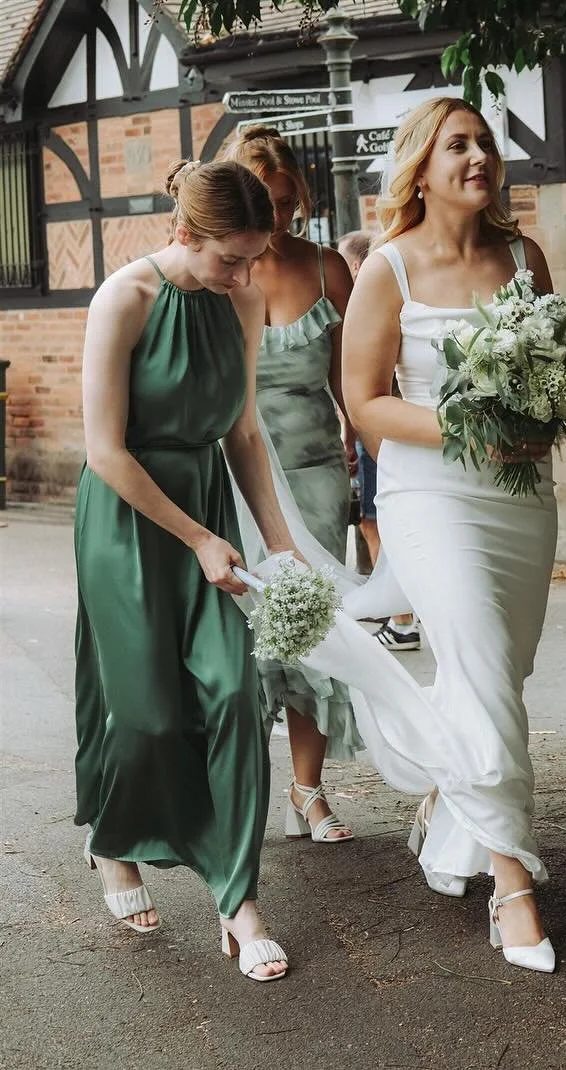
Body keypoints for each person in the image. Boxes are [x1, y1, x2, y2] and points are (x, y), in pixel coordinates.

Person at [342, 96, 559, 974]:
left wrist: (549, 414)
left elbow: (551, 371)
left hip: (519, 497)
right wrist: (467, 425)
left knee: (503, 670)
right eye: (456, 146)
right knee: (474, 663)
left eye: (484, 144)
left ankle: (448, 792)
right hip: (431, 497)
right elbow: (364, 402)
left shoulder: (524, 258)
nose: (477, 158)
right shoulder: (386, 269)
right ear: (420, 168)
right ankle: (514, 883)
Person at [74, 159, 295, 981]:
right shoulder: (122, 300)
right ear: (183, 234)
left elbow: (241, 434)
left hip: (208, 507)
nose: (243, 274)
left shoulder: (244, 299)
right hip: (128, 518)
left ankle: (240, 904)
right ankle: (112, 843)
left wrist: (278, 539)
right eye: (229, 258)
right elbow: (103, 452)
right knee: (148, 716)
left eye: (253, 258)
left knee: (236, 696)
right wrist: (198, 538)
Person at [222, 127, 361, 844]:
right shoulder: (223, 276)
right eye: (259, 205)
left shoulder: (329, 268)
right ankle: (243, 796)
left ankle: (307, 793)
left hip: (316, 478)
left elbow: (354, 388)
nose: (273, 220)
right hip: (238, 484)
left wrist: (374, 466)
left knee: (315, 632)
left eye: (282, 204)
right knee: (248, 643)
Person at [338, 227, 422, 650]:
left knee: (374, 518)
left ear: (354, 264)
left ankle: (402, 616)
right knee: (373, 516)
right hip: (386, 426)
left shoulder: (372, 298)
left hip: (388, 430)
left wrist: (352, 435)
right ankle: (399, 612)